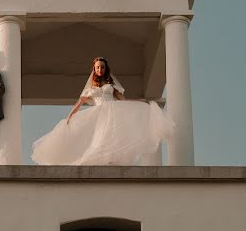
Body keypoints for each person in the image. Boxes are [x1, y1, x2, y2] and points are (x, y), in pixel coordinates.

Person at [31, 57, 174, 165]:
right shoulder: (90, 89)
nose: (100, 70)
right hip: (99, 113)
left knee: (113, 135)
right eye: (98, 67)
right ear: (94, 69)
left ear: (106, 69)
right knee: (99, 136)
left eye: (102, 67)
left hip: (113, 111)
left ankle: (111, 160)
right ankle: (99, 158)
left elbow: (123, 99)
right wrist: (69, 117)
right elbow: (79, 103)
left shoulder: (110, 85)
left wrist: (140, 103)